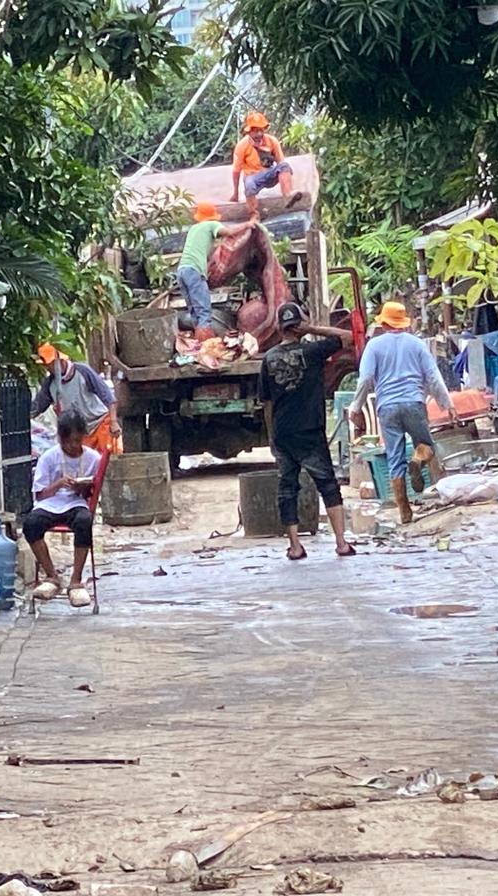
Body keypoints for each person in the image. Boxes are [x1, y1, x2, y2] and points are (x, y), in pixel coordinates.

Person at [258, 302, 355, 561]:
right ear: (299, 326)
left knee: (287, 487)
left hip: (283, 432)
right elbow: (347, 337)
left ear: (279, 329)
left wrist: (271, 436)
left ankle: (295, 546)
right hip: (310, 429)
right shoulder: (313, 351)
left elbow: (266, 403)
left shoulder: (268, 359)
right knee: (327, 484)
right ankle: (341, 543)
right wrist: (311, 328)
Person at [352, 302, 457, 524]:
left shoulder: (374, 346)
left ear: (384, 322)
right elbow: (433, 376)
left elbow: (366, 379)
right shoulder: (417, 344)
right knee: (427, 447)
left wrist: (355, 407)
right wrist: (447, 404)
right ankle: (418, 459)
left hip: (387, 408)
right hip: (414, 403)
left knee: (394, 459)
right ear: (404, 322)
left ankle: (405, 512)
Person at [22, 410, 102, 608]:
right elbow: (39, 494)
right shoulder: (49, 457)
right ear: (61, 439)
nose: (74, 446)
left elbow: (93, 492)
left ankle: (76, 579)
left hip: (76, 503)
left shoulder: (93, 458)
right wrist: (58, 484)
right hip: (50, 504)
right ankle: (52, 576)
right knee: (31, 524)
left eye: (78, 440)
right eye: (69, 442)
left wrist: (82, 488)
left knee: (84, 522)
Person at [177, 202, 256, 334]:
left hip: (182, 270)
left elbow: (205, 252)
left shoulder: (193, 229)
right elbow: (229, 232)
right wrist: (247, 224)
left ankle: (199, 342)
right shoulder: (211, 224)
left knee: (194, 312)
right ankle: (207, 345)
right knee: (204, 312)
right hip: (194, 270)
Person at [32, 344, 122, 453]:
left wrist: (113, 422)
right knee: (86, 465)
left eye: (50, 364)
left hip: (100, 423)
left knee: (111, 458)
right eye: (46, 365)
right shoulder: (50, 384)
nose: (48, 368)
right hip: (81, 431)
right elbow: (37, 407)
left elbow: (108, 398)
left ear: (60, 360)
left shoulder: (83, 372)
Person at [230, 112, 301, 219]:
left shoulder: (272, 141)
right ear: (249, 131)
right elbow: (236, 170)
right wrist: (235, 193)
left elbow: (281, 163)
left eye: (261, 130)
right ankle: (254, 214)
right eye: (255, 131)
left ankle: (288, 196)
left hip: (269, 174)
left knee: (284, 166)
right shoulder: (242, 145)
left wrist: (288, 182)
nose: (259, 134)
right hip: (253, 177)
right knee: (249, 184)